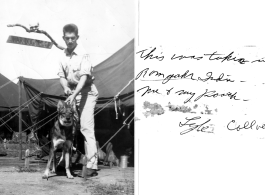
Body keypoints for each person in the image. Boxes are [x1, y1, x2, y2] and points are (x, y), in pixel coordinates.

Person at [58, 23, 99, 177]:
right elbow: (61, 77)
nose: (70, 41)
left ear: (77, 38)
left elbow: (83, 77)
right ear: (63, 38)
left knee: (85, 127)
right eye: (67, 38)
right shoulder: (62, 56)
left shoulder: (84, 54)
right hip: (73, 93)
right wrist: (65, 88)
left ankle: (92, 165)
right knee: (68, 128)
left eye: (72, 38)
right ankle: (65, 162)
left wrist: (74, 94)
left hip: (87, 92)